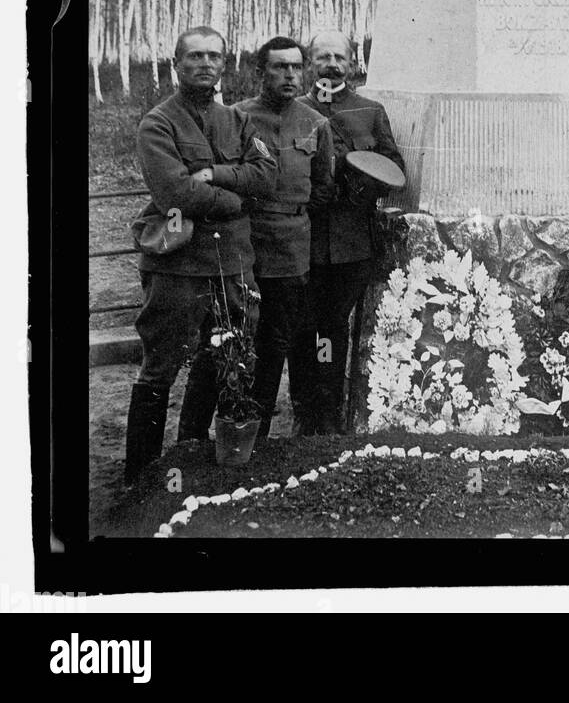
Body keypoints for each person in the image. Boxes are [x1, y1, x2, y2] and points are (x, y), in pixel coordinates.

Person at [124, 27, 276, 484]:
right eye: (194, 56)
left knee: (225, 359)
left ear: (224, 65)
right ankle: (141, 474)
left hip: (232, 263)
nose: (205, 64)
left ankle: (192, 452)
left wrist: (215, 174)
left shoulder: (237, 119)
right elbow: (174, 191)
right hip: (178, 267)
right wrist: (238, 200)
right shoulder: (159, 123)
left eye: (214, 56)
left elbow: (265, 176)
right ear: (176, 63)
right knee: (161, 368)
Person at [288, 30, 406, 434]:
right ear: (310, 62)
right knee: (303, 325)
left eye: (339, 57)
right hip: (302, 241)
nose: (332, 65)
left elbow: (393, 169)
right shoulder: (295, 110)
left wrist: (362, 186)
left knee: (334, 325)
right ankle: (304, 410)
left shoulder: (370, 112)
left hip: (350, 243)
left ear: (352, 62)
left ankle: (330, 410)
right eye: (323, 57)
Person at [235, 37, 335, 443]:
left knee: (284, 337)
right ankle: (245, 431)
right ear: (261, 72)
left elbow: (323, 188)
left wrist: (294, 217)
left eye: (296, 67)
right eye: (279, 67)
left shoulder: (315, 123)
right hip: (247, 244)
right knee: (244, 339)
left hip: (294, 249)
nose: (290, 75)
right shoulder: (236, 118)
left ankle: (290, 430)